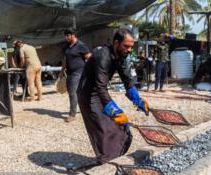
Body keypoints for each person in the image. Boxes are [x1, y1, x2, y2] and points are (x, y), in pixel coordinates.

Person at [77, 28, 150, 163]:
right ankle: (105, 161)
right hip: (88, 95)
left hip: (100, 94)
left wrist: (137, 99)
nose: (129, 50)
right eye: (126, 46)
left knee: (120, 127)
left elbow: (127, 80)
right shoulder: (102, 55)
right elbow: (100, 86)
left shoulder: (120, 56)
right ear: (116, 43)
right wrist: (114, 110)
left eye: (131, 47)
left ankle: (113, 158)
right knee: (103, 129)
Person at [60, 28, 91, 122]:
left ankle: (72, 114)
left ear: (73, 35)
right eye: (65, 36)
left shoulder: (81, 45)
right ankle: (86, 108)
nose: (66, 38)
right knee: (71, 93)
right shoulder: (67, 46)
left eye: (67, 36)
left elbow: (89, 57)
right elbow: (65, 59)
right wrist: (62, 71)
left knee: (73, 92)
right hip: (69, 72)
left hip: (79, 72)